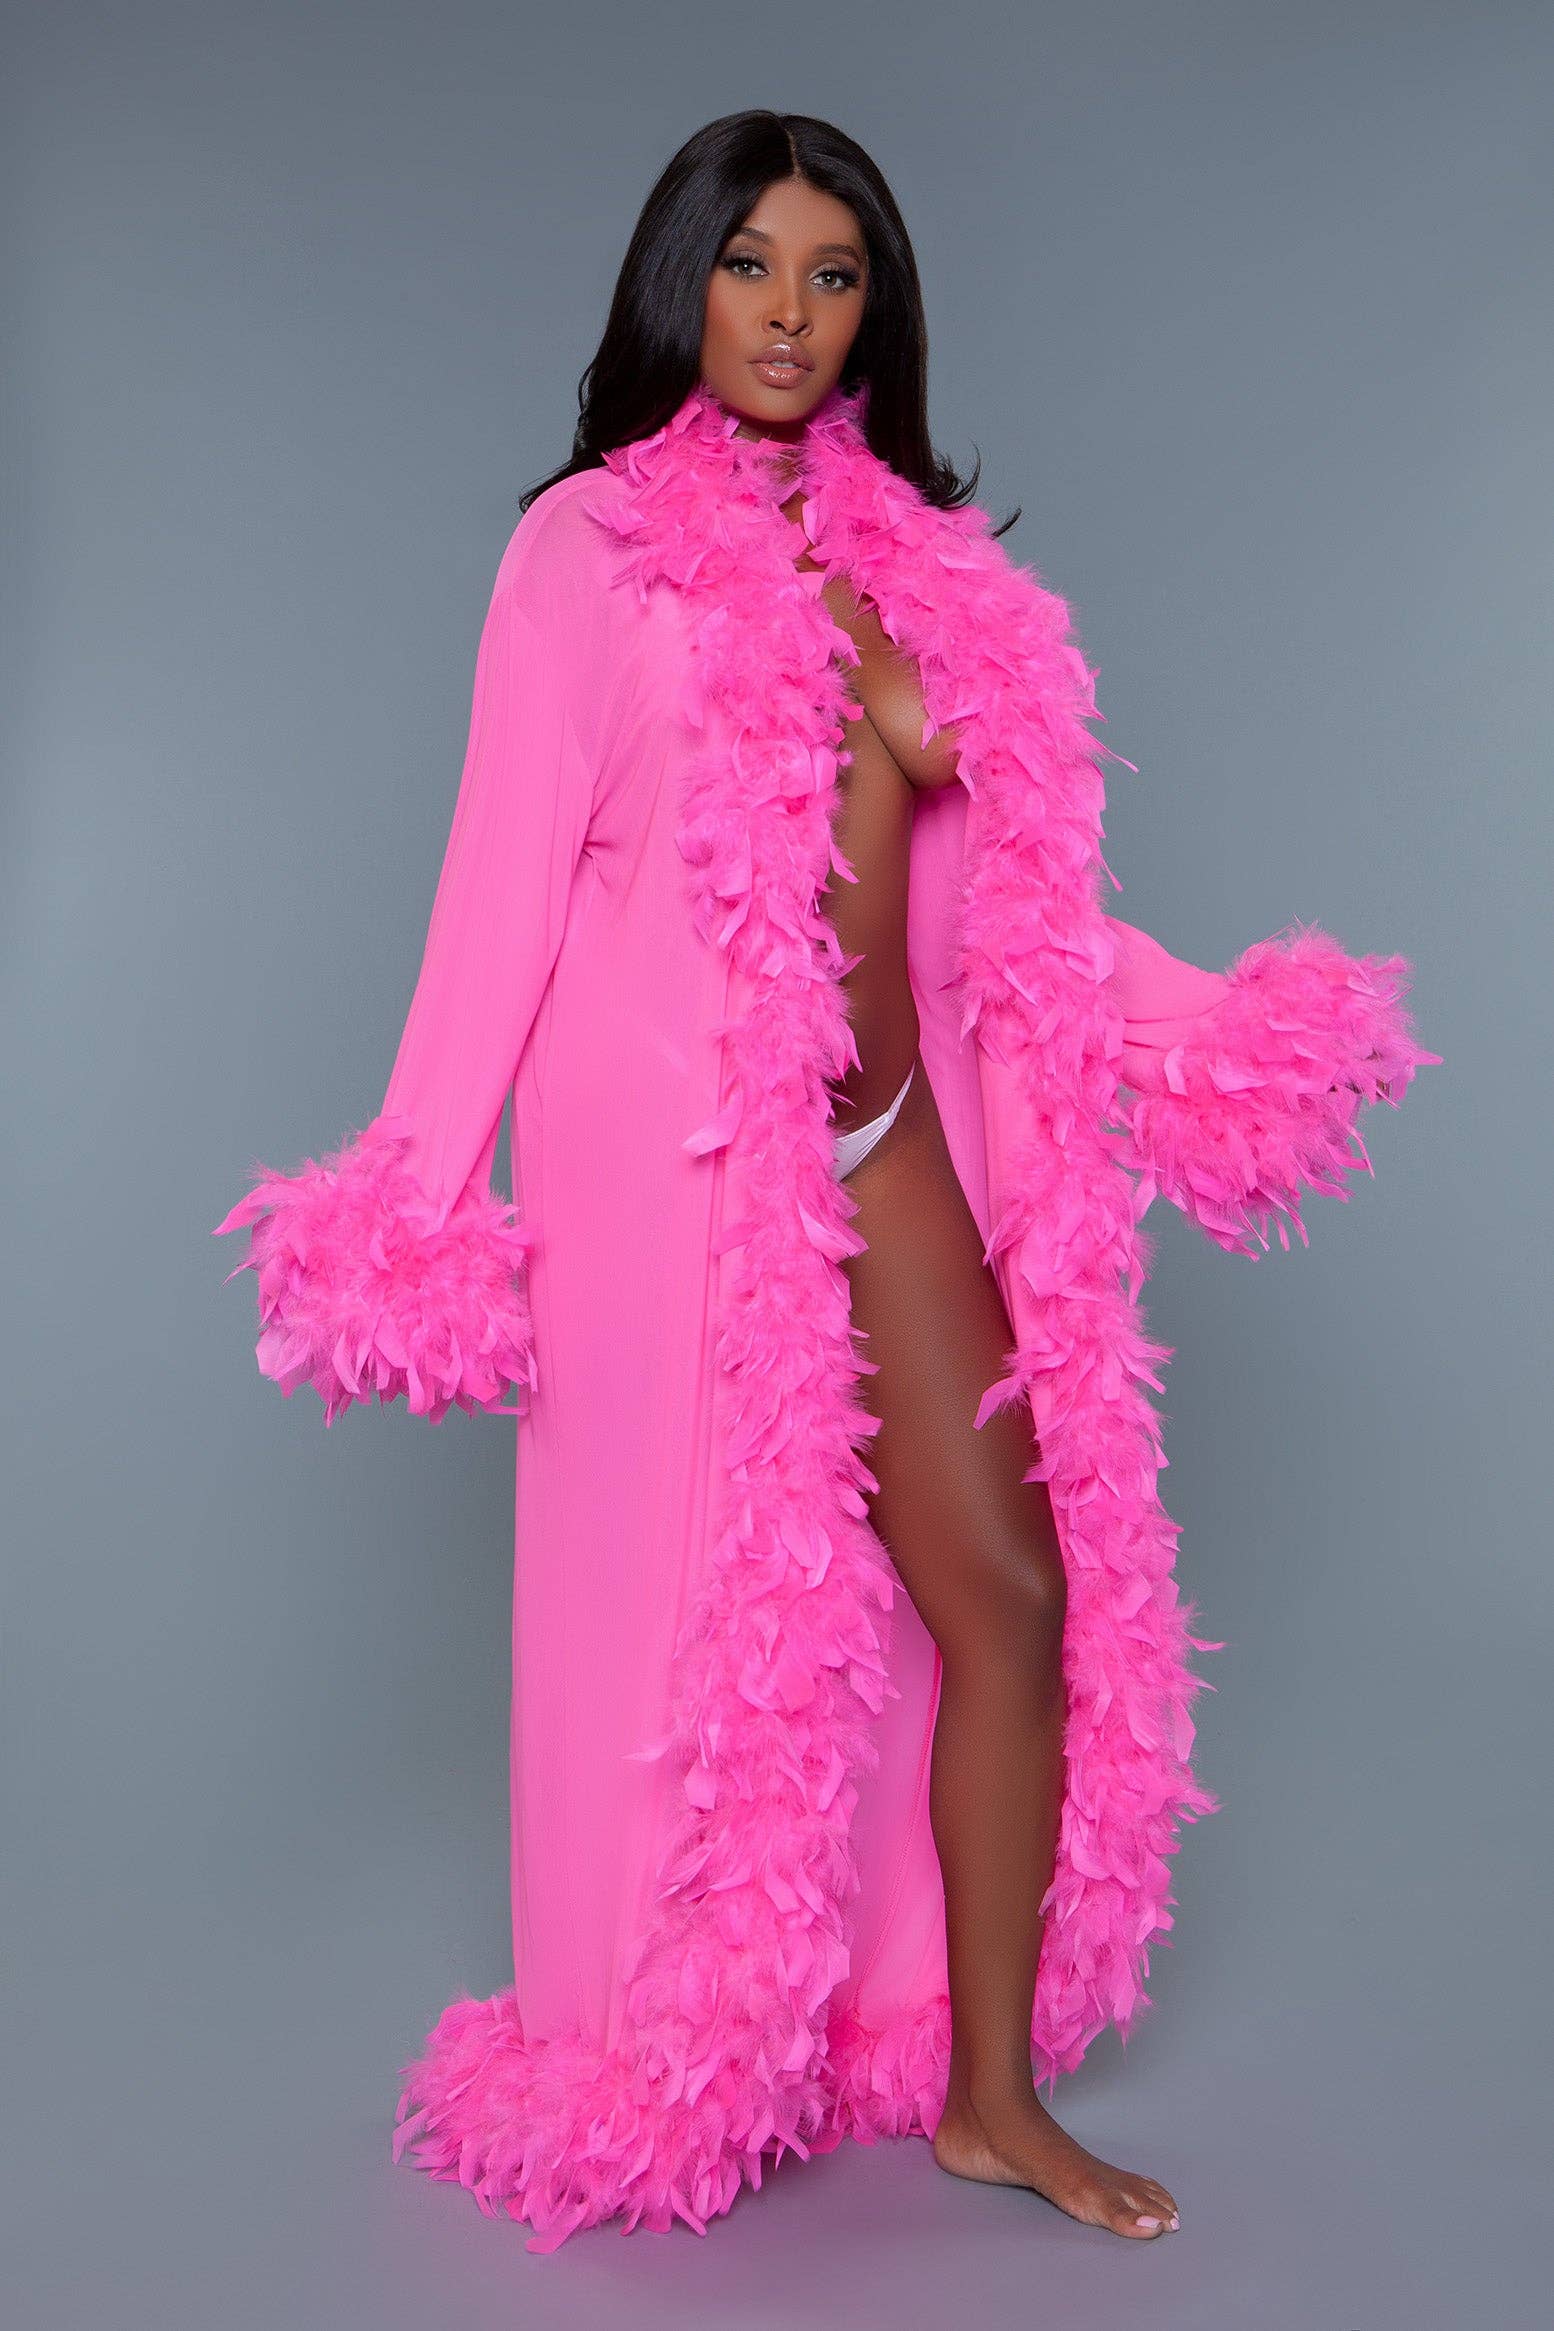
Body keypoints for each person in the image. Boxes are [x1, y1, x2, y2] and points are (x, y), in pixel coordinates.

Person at [214, 111, 1436, 2254]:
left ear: (880, 310)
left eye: (833, 273)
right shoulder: (588, 552)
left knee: (1015, 1594)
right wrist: (414, 1189)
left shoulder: (927, 565)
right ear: (679, 281)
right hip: (685, 1176)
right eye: (750, 264)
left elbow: (1014, 915)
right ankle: (666, 2061)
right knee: (698, 1641)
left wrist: (1208, 1028)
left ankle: (986, 2094)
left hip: (889, 1141)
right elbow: (498, 891)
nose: (788, 313)